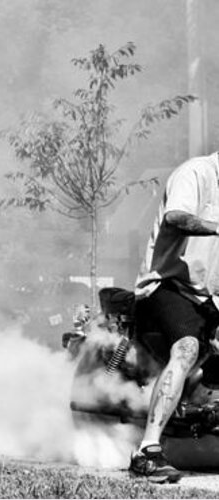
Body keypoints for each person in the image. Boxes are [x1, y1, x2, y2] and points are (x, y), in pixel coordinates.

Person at [130, 151, 219, 483]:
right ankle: (147, 452)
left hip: (210, 297)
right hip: (167, 284)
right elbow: (177, 218)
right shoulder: (196, 173)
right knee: (186, 348)